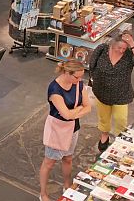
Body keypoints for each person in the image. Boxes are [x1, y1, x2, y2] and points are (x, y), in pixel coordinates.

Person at [39, 60, 91, 201]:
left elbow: (88, 107)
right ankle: (43, 194)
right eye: (77, 77)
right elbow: (67, 115)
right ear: (67, 73)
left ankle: (67, 184)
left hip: (73, 128)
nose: (80, 80)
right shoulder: (54, 89)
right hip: (57, 130)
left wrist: (75, 111)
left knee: (68, 158)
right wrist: (78, 109)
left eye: (81, 77)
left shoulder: (79, 84)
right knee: (49, 163)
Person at [87, 30, 134, 152]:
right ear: (112, 44)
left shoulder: (129, 54)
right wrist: (93, 80)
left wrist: (132, 44)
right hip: (101, 91)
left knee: (120, 119)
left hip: (121, 93)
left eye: (124, 48)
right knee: (103, 117)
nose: (121, 51)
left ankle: (120, 139)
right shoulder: (102, 49)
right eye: (119, 47)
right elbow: (91, 65)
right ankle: (104, 135)